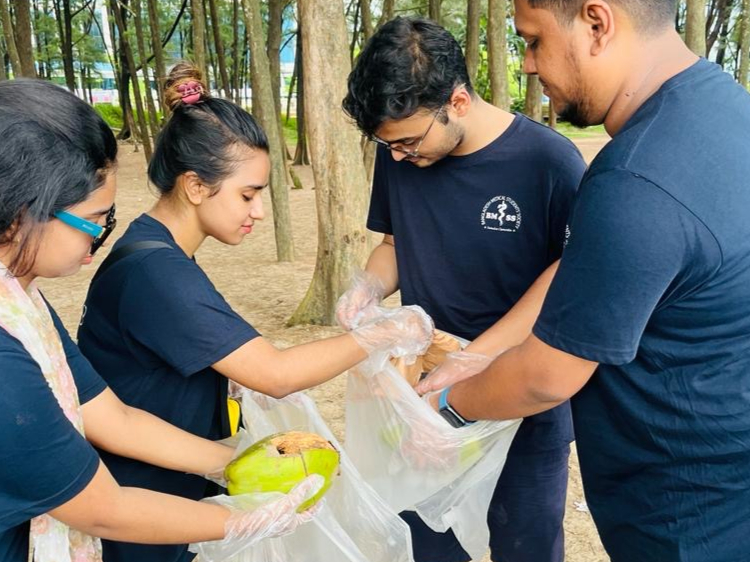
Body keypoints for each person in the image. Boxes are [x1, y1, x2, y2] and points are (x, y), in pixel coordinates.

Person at [418, 0, 750, 560]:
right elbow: (592, 274)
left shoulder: (635, 178)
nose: (525, 64)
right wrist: (478, 354)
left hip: (688, 512)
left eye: (534, 40)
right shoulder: (726, 109)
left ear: (597, 24)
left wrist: (447, 404)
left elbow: (547, 376)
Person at [75, 62, 432, 562]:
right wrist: (384, 333)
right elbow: (276, 373)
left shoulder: (155, 247)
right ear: (196, 186)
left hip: (165, 483)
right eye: (248, 194)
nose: (259, 211)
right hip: (139, 499)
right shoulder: (156, 272)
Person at [0, 78, 327, 562]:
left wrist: (236, 463)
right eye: (95, 221)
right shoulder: (7, 353)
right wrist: (245, 517)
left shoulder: (24, 304)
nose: (102, 238)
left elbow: (114, 417)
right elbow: (104, 509)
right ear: (21, 214)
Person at [339, 17, 587, 562]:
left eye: (407, 142)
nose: (399, 157)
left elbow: (567, 277)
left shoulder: (548, 162)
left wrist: (472, 360)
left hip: (520, 401)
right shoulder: (399, 148)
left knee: (525, 545)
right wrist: (367, 286)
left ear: (458, 101)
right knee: (427, 543)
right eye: (389, 146)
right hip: (421, 393)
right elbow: (396, 241)